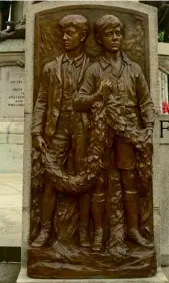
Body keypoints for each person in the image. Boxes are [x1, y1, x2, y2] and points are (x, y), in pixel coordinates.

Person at [74, 14, 155, 247]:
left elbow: (146, 102)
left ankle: (132, 230)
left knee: (129, 179)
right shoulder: (94, 69)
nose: (115, 38)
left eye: (118, 33)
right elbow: (78, 101)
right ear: (99, 39)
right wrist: (98, 95)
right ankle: (99, 232)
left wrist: (148, 126)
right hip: (101, 131)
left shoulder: (134, 68)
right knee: (99, 181)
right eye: (109, 34)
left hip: (128, 129)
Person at [31, 14, 92, 248]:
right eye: (63, 33)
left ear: (83, 36)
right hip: (56, 128)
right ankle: (45, 230)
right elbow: (41, 102)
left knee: (86, 180)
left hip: (83, 129)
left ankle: (83, 232)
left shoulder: (94, 67)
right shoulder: (50, 68)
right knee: (50, 180)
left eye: (70, 33)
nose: (65, 38)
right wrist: (36, 132)